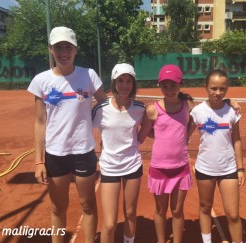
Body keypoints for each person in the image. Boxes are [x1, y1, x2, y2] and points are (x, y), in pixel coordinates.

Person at [27, 26, 107, 243]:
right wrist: (38, 161)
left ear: (75, 49)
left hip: (84, 151)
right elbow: (40, 121)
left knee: (88, 205)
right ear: (50, 49)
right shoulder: (41, 81)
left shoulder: (88, 75)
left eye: (68, 47)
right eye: (58, 47)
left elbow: (105, 103)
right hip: (56, 154)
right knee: (57, 208)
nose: (63, 52)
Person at [138, 64, 195, 243]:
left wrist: (186, 135)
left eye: (173, 85)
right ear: (160, 86)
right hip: (159, 169)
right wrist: (160, 137)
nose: (169, 90)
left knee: (177, 211)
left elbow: (197, 119)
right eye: (165, 86)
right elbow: (144, 132)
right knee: (161, 211)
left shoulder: (188, 105)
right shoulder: (152, 110)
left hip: (181, 168)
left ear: (180, 84)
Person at [190, 69, 246, 243]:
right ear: (205, 87)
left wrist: (240, 168)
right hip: (205, 168)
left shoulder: (232, 111)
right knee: (205, 207)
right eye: (213, 88)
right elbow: (182, 135)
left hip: (228, 168)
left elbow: (236, 140)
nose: (218, 92)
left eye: (222, 88)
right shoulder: (197, 111)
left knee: (233, 214)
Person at [92, 63, 145, 243]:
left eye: (128, 80)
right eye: (120, 80)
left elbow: (155, 124)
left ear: (133, 83)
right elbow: (82, 128)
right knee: (109, 223)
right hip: (110, 168)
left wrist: (227, 102)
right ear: (114, 82)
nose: (125, 85)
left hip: (133, 165)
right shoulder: (101, 108)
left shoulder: (140, 108)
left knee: (130, 213)